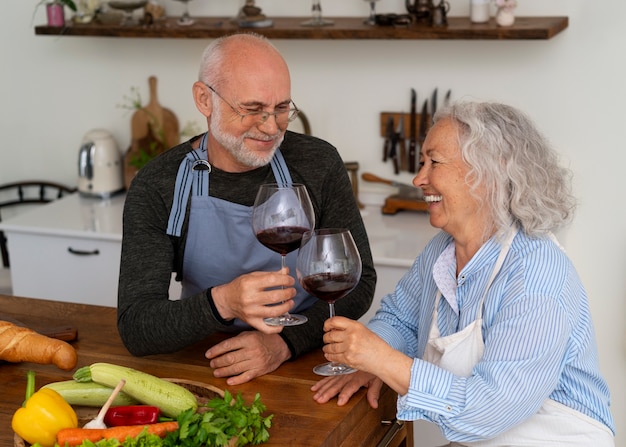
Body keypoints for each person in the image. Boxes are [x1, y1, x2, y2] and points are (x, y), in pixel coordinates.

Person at [311, 101, 615, 446]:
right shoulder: (442, 250)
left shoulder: (536, 277)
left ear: (489, 173)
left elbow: (487, 410)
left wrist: (383, 359)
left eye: (434, 163)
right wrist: (370, 360)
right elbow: (401, 319)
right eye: (422, 162)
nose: (418, 179)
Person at [117, 33, 376, 386]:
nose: (271, 128)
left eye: (282, 108)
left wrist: (285, 342)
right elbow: (137, 327)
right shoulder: (159, 184)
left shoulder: (318, 163)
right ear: (204, 99)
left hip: (307, 367)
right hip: (207, 364)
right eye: (253, 109)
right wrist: (224, 302)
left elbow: (359, 282)